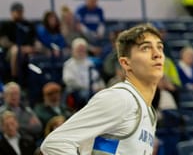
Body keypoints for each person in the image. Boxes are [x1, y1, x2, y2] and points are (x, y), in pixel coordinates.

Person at [40, 24, 164, 155]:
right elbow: (56, 143)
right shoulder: (119, 99)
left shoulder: (148, 113)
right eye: (145, 49)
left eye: (159, 47)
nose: (156, 54)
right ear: (126, 63)